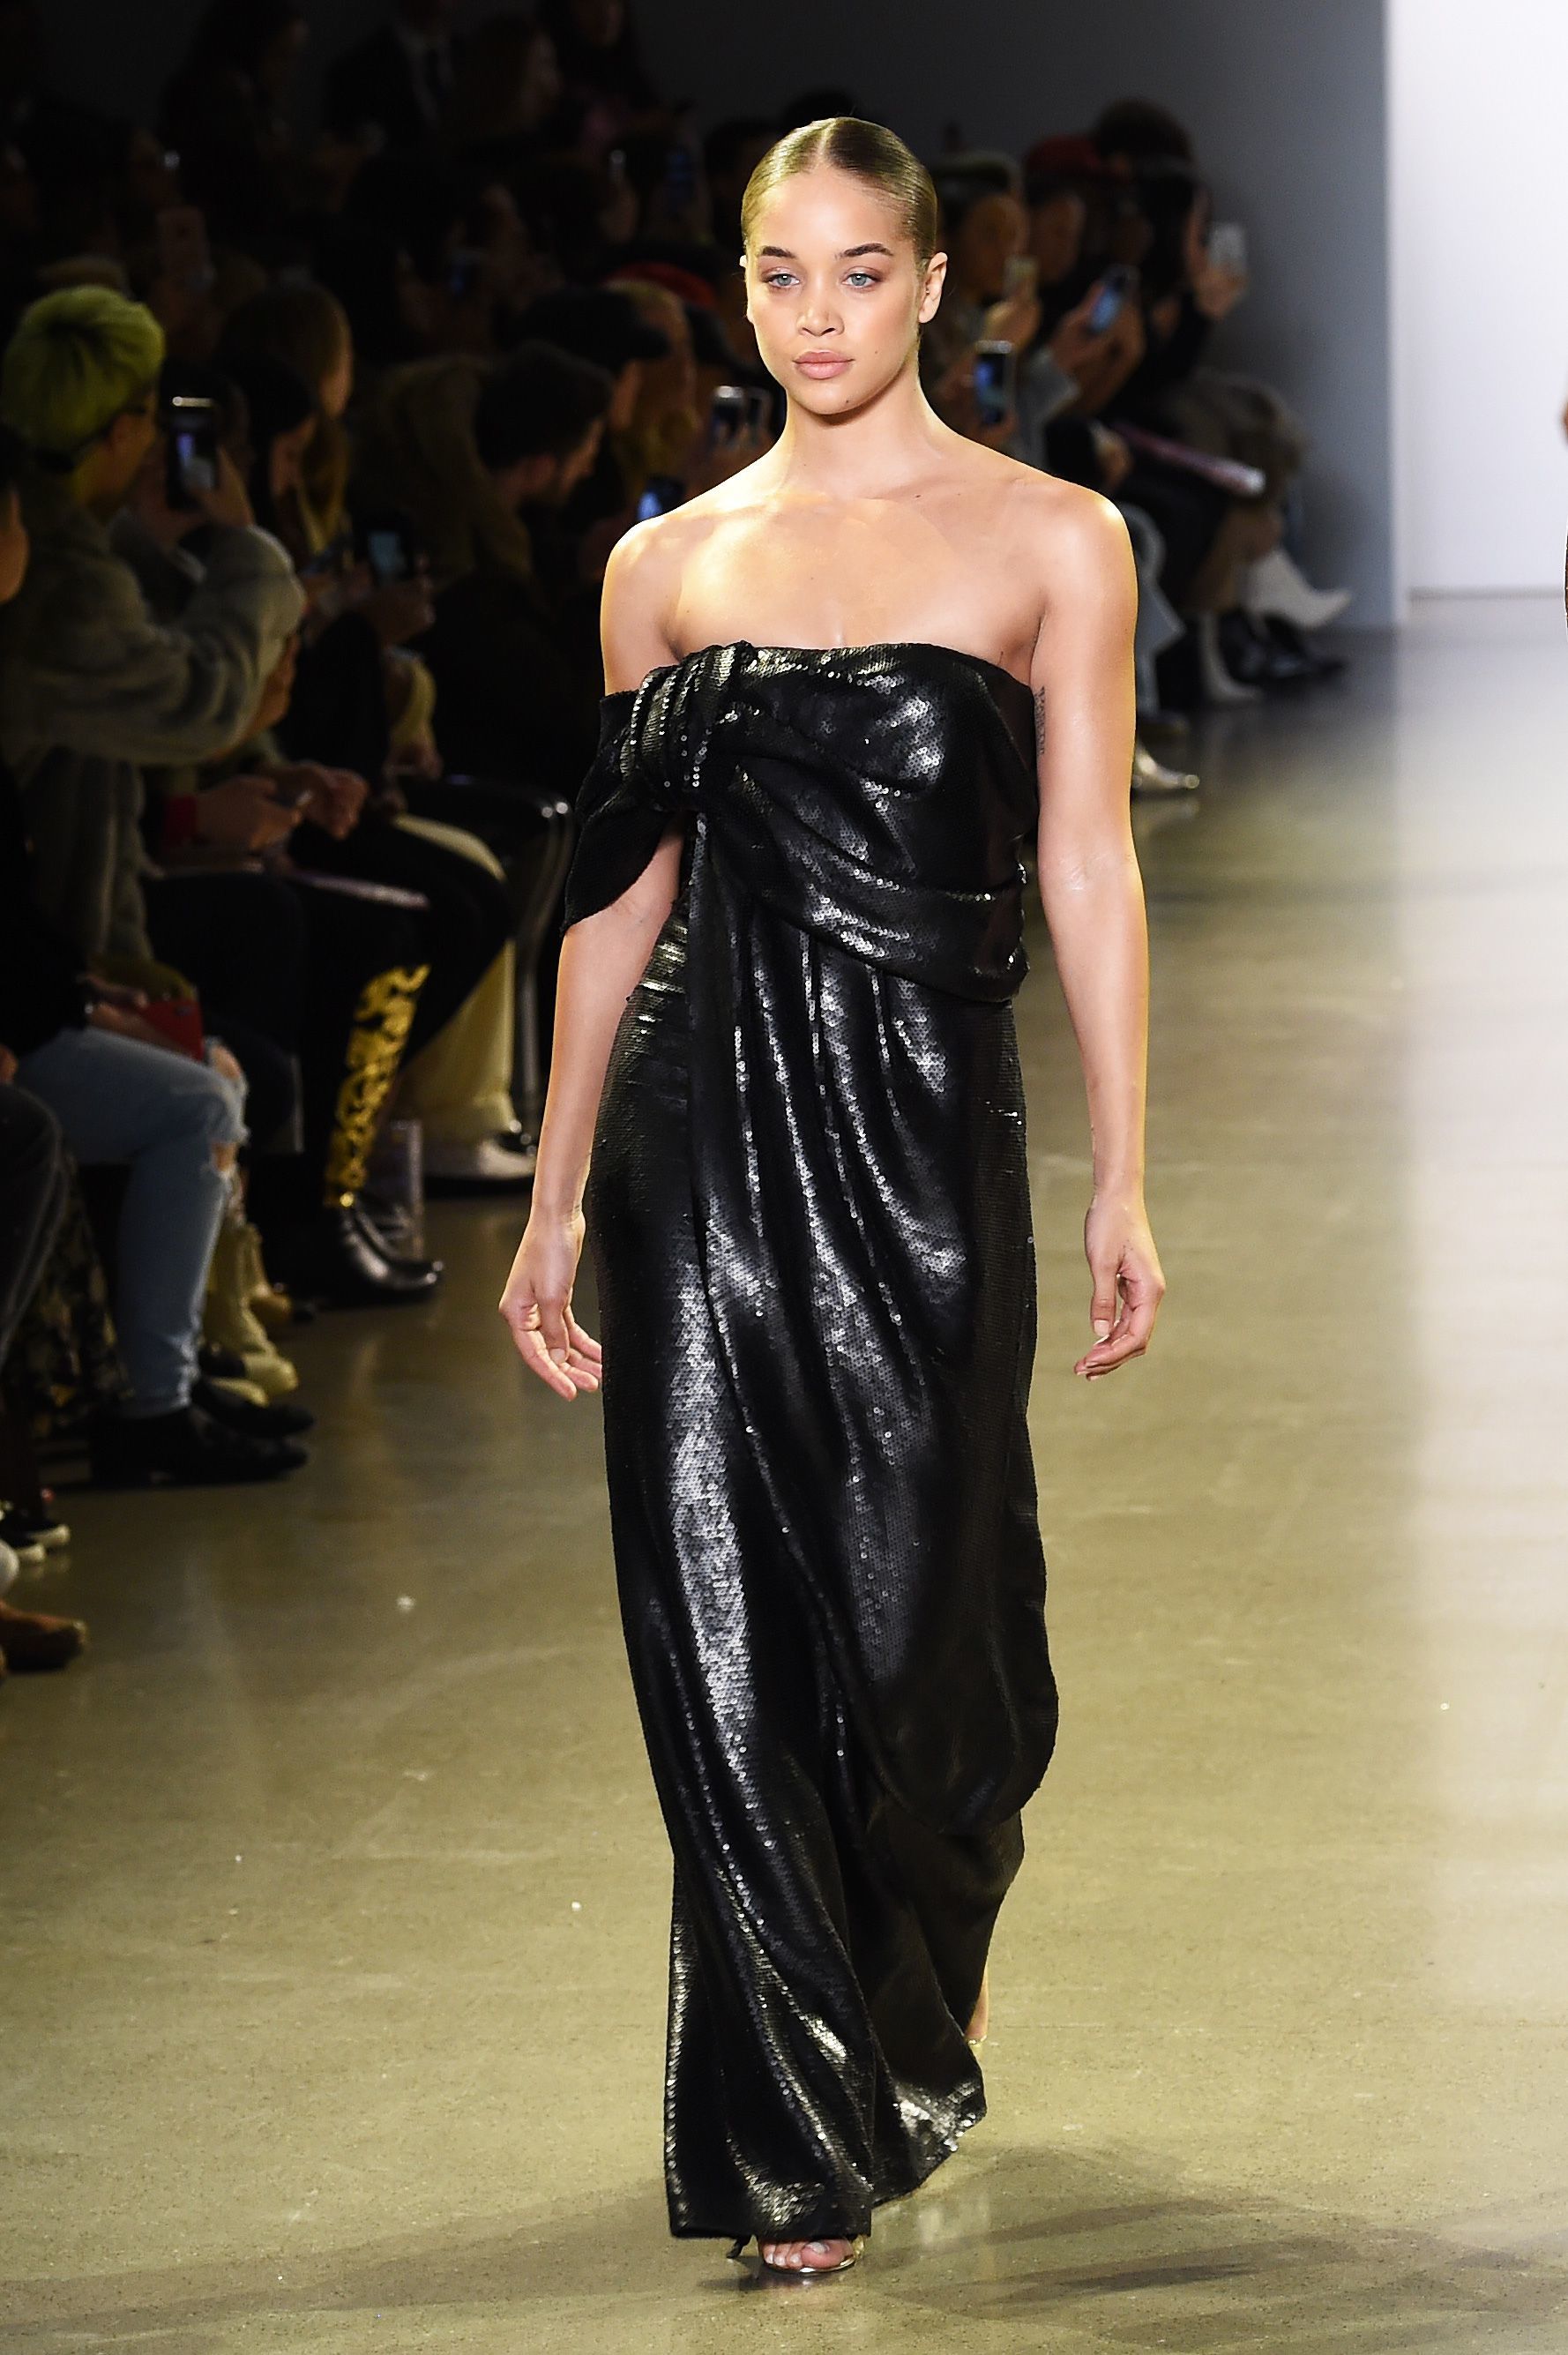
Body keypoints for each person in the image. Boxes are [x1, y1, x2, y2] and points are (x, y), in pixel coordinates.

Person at [498, 116, 1164, 2277]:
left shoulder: (1053, 539)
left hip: (927, 1126)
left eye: (860, 271)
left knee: (931, 1651)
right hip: (697, 1128)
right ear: (743, 288)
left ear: (934, 286)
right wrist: (553, 1185)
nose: (816, 314)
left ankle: (909, 1988)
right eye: (780, 274)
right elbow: (616, 895)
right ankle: (790, 2134)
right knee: (724, 1620)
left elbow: (1087, 860)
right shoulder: (665, 565)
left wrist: (1121, 1174)